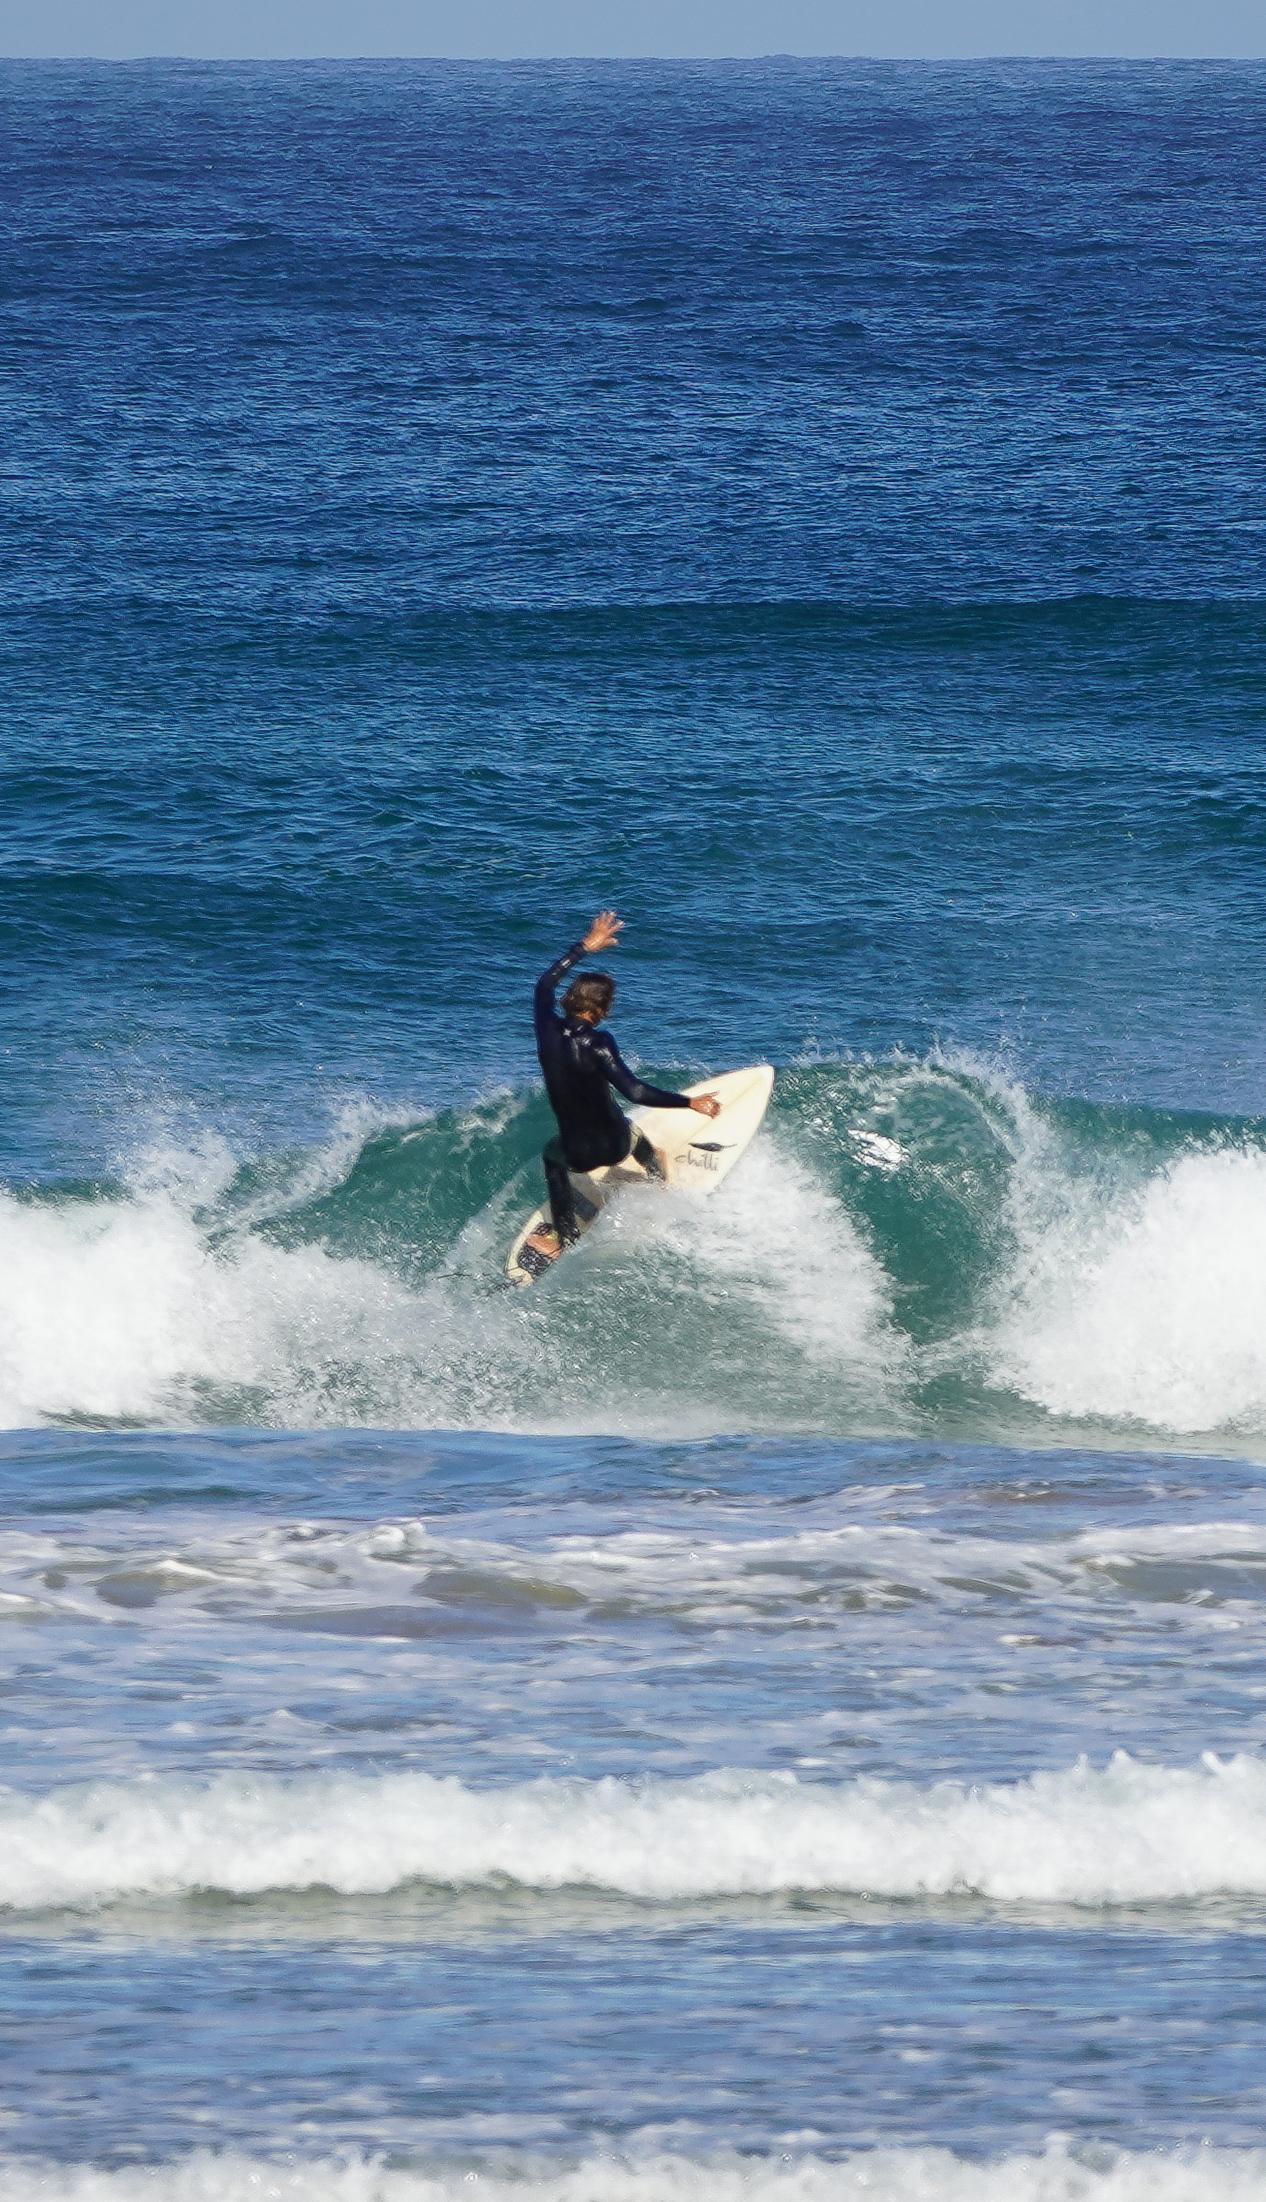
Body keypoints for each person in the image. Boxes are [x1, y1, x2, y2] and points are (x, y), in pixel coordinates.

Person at [528, 909, 720, 1262]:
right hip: (616, 1146)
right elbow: (635, 1091)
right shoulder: (600, 1043)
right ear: (603, 1008)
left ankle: (562, 1236)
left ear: (571, 999)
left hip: (577, 1155)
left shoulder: (545, 1029)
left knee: (551, 1157)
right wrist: (689, 1102)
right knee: (632, 1127)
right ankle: (656, 1175)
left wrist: (584, 946)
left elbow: (543, 985)